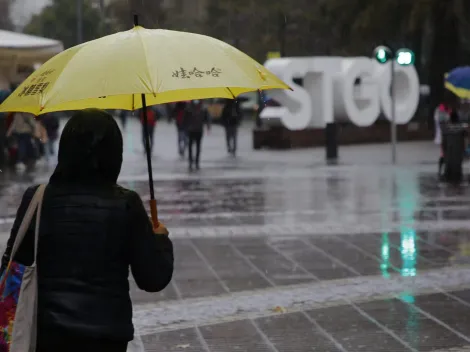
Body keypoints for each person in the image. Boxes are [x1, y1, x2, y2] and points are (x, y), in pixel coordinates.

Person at [1, 109, 174, 351]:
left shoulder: (38, 199)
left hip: (47, 333)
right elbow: (153, 278)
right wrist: (160, 240)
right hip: (107, 337)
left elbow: (11, 265)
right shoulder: (126, 204)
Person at [442, 111, 468, 184]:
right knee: (458, 171)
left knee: (448, 171)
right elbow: (466, 138)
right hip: (458, 153)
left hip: (449, 153)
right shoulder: (461, 130)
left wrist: (444, 152)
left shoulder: (446, 129)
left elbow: (444, 143)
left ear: (450, 119)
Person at [184, 100, 210, 171]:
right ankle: (191, 162)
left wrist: (208, 126)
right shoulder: (189, 108)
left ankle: (196, 162)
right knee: (190, 146)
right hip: (191, 130)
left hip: (198, 130)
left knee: (197, 147)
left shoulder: (202, 108)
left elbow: (206, 118)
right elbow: (185, 119)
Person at [434, 102, 452, 177]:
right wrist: (449, 113)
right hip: (442, 136)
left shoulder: (440, 111)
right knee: (444, 153)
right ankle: (442, 169)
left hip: (444, 135)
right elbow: (444, 121)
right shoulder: (441, 111)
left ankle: (443, 169)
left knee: (445, 153)